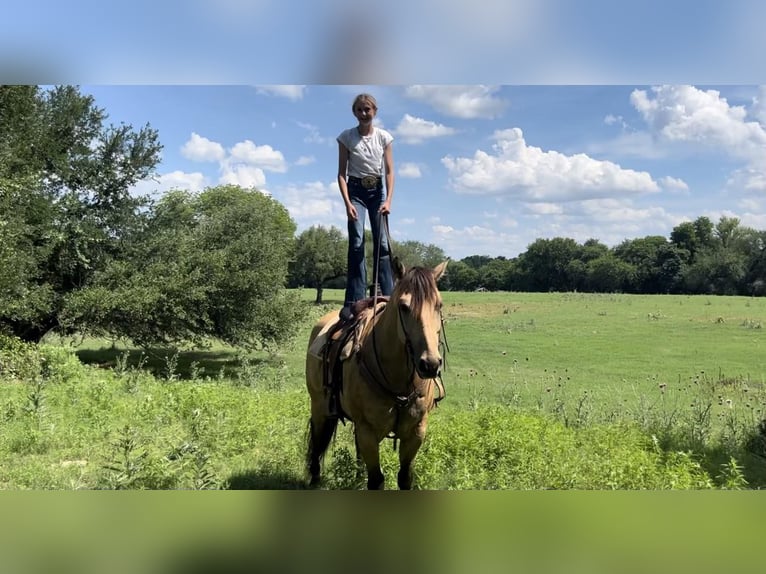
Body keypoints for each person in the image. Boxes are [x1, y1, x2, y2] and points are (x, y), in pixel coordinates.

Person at [336, 93, 395, 321]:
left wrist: (388, 200)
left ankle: (388, 297)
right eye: (359, 110)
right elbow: (341, 174)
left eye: (367, 110)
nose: (363, 114)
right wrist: (348, 202)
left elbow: (389, 171)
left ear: (375, 111)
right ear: (354, 113)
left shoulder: (383, 138)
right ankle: (353, 302)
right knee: (357, 242)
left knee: (383, 244)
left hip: (377, 191)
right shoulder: (346, 138)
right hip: (356, 192)